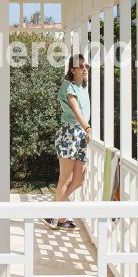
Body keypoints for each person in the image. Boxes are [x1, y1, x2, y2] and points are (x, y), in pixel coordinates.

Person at [42, 53, 91, 231]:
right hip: (70, 133)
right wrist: (87, 128)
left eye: (87, 66)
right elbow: (76, 110)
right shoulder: (68, 86)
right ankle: (60, 219)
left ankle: (53, 210)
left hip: (81, 136)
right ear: (73, 69)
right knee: (65, 179)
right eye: (82, 67)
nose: (85, 69)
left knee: (78, 180)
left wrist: (85, 130)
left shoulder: (83, 85)